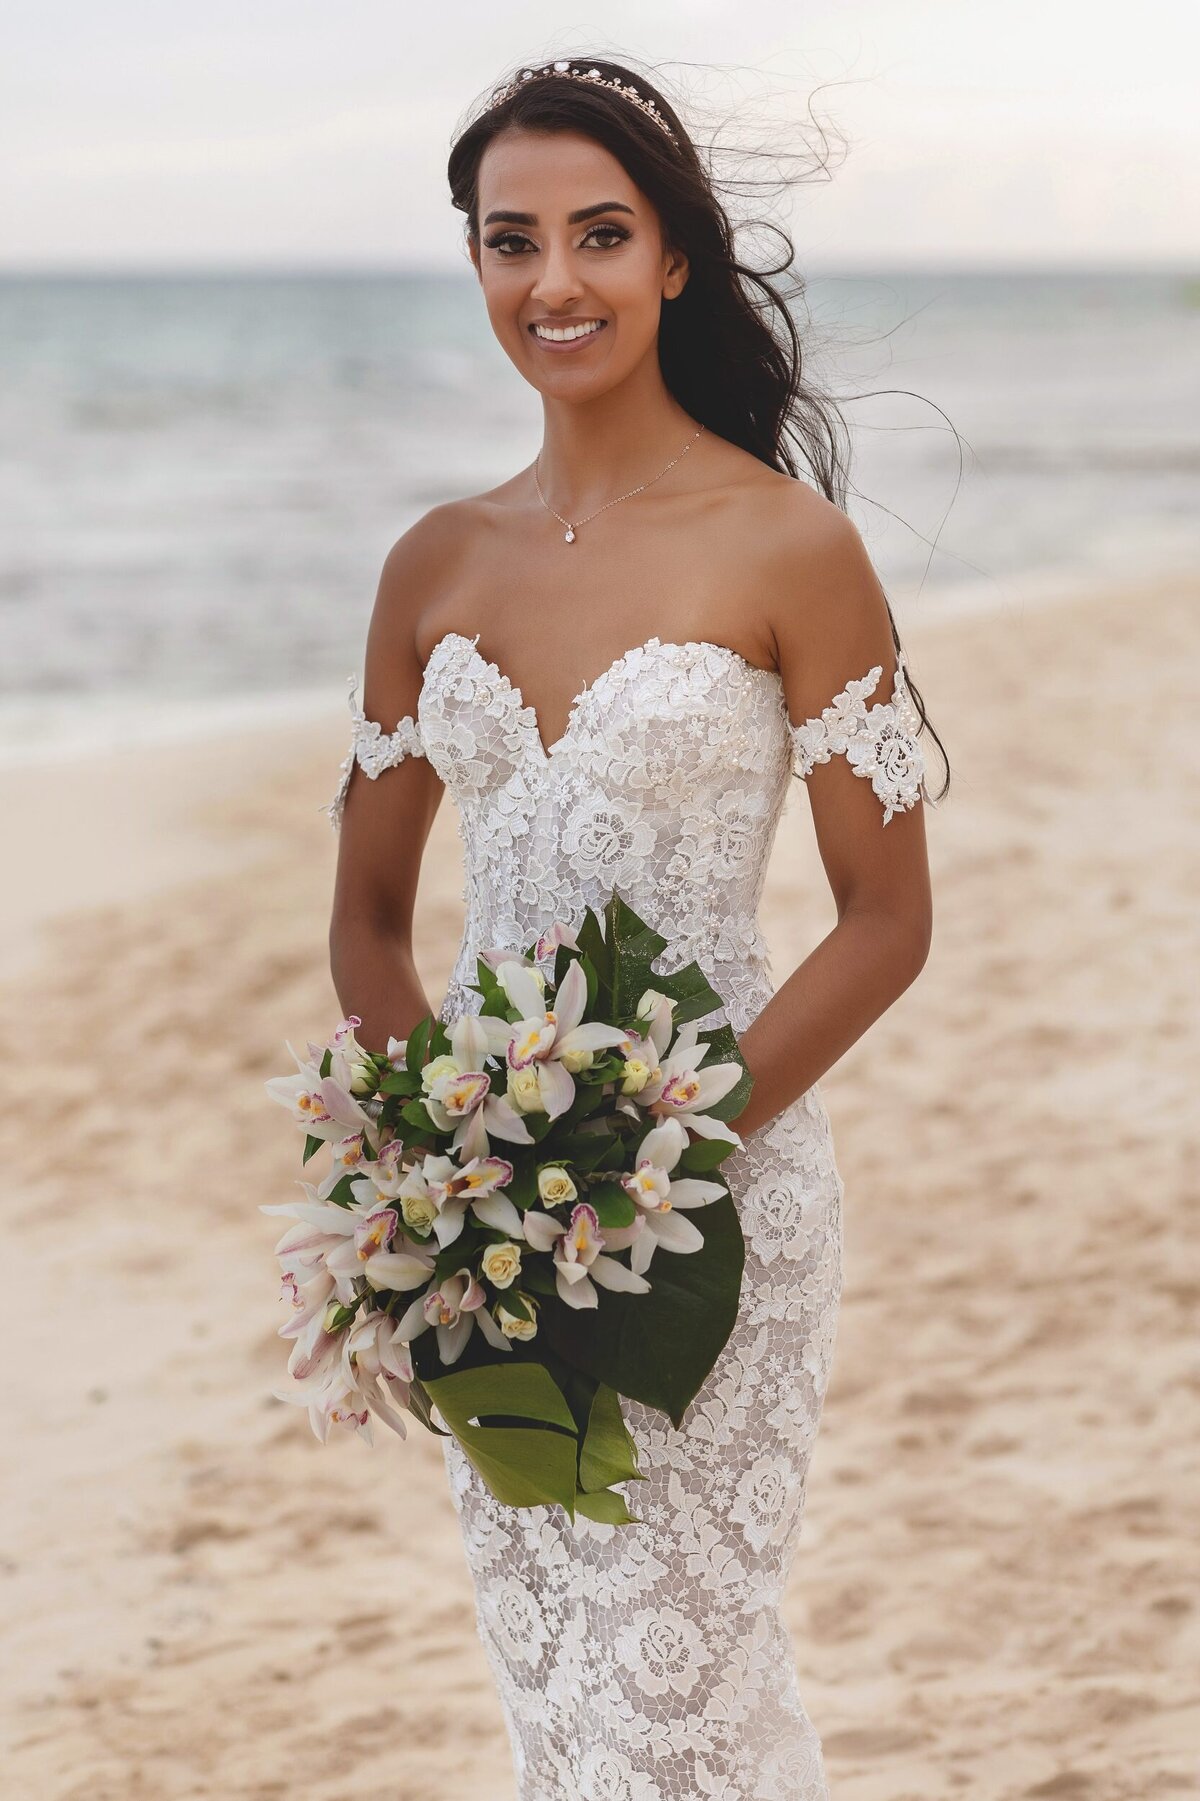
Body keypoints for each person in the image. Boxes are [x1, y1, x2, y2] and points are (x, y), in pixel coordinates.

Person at [326, 54, 940, 1801]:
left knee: (681, 1687)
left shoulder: (790, 549)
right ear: (475, 265)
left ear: (675, 258)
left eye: (601, 235)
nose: (556, 282)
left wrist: (656, 1154)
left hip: (721, 1202)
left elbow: (886, 920)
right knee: (558, 1693)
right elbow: (371, 921)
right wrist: (436, 1170)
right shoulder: (431, 565)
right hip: (491, 1225)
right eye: (512, 242)